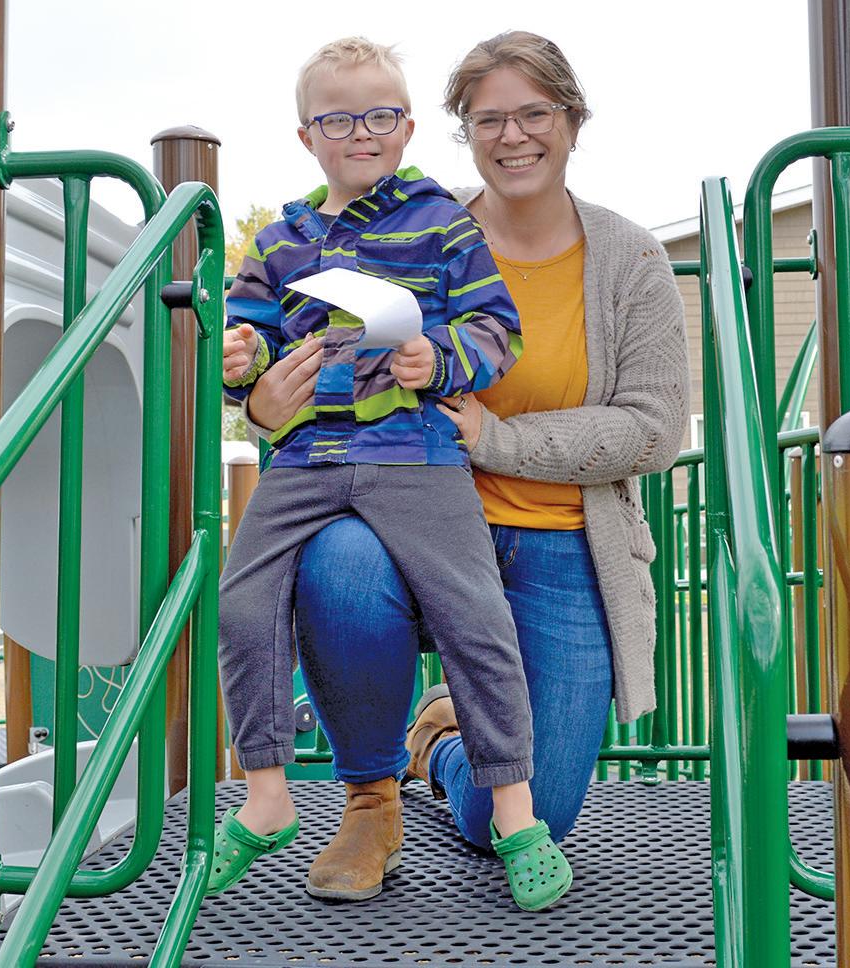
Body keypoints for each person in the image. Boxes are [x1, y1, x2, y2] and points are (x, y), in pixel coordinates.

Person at [242, 31, 689, 903]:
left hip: (560, 539)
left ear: (572, 120)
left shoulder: (630, 260)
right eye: (489, 120)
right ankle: (369, 799)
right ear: (460, 131)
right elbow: (308, 343)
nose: (513, 136)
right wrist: (260, 403)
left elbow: (653, 430)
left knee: (513, 819)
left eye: (535, 114)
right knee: (337, 562)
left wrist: (496, 439)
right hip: (411, 511)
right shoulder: (408, 223)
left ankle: (439, 743)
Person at [213, 36, 574, 913]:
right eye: (337, 120)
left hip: (414, 454)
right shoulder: (281, 239)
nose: (360, 134)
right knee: (241, 601)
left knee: (474, 615)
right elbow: (243, 335)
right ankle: (266, 794)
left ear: (407, 127)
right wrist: (240, 363)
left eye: (379, 116)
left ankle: (516, 810)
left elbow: (496, 329)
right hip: (307, 457)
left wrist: (437, 357)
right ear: (306, 137)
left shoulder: (441, 222)